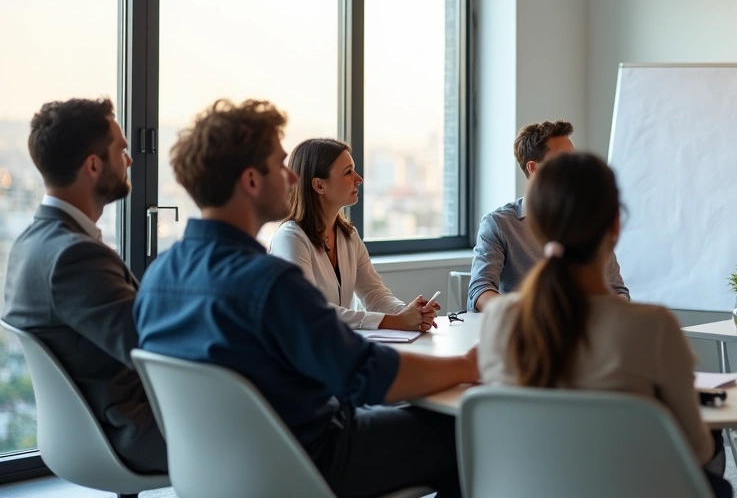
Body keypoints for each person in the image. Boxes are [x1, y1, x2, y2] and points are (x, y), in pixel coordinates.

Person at [134, 100, 476, 497]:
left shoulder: (156, 277)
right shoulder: (270, 283)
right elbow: (367, 375)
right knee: (465, 430)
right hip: (312, 460)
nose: (292, 177)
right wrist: (468, 364)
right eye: (281, 165)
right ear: (251, 180)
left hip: (217, 472)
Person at [478, 152, 732, 498]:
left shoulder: (498, 321)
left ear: (535, 226)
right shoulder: (654, 327)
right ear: (615, 225)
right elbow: (697, 449)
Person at [1, 98, 167, 473]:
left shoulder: (30, 243)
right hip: (129, 429)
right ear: (93, 165)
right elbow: (151, 347)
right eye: (121, 150)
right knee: (278, 422)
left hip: (91, 427)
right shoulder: (75, 256)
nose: (130, 160)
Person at [270, 138, 437, 331]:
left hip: (336, 343)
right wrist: (395, 321)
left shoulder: (348, 235)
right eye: (348, 172)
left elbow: (374, 294)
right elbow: (309, 308)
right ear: (319, 185)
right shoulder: (290, 239)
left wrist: (409, 314)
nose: (359, 179)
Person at [468, 120, 629, 312]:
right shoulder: (499, 224)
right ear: (534, 168)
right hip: (525, 325)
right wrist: (528, 317)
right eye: (563, 160)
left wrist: (609, 316)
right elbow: (480, 290)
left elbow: (618, 290)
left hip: (590, 325)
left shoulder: (589, 219)